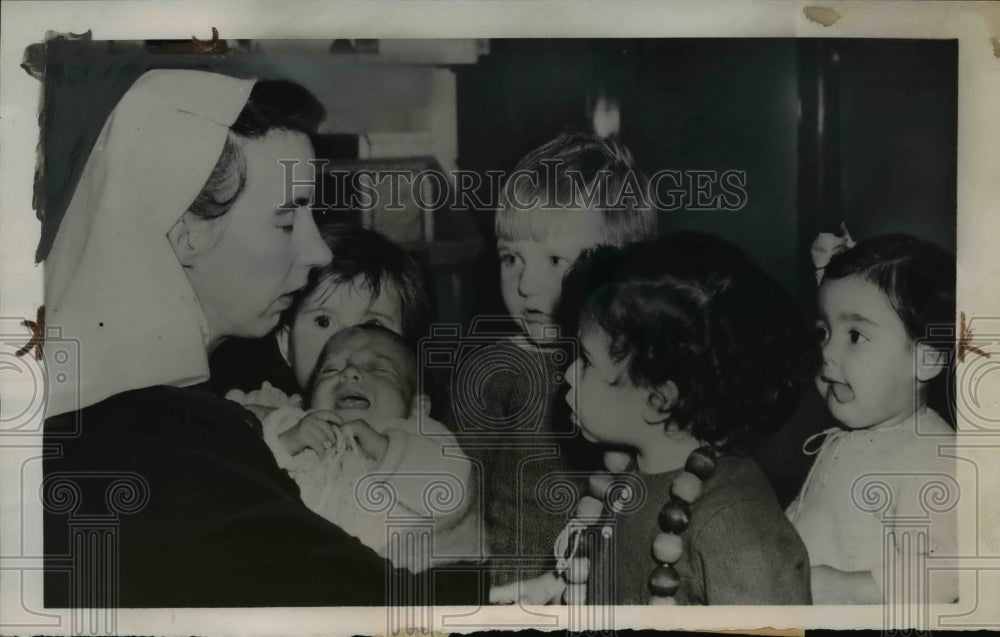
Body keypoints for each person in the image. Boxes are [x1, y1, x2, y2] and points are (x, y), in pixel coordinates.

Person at [41, 69, 559, 607]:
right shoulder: (160, 440)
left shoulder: (136, 409)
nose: (318, 252)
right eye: (286, 220)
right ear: (187, 231)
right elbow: (365, 604)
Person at [445, 131, 659, 586]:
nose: (525, 285)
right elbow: (452, 486)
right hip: (513, 589)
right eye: (511, 259)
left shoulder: (648, 373)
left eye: (556, 260)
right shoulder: (495, 372)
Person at [556, 233, 813, 605]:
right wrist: (555, 589)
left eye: (586, 362)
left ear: (660, 398)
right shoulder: (626, 474)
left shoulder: (734, 524)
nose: (567, 375)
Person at [786, 234, 958, 605]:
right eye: (823, 332)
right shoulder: (847, 436)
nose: (826, 351)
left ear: (926, 359)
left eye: (855, 335)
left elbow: (948, 571)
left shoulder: (934, 457)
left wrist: (847, 589)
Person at [230, 324, 481, 572]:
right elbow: (246, 478)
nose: (349, 373)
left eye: (377, 368)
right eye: (331, 370)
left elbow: (452, 488)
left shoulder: (418, 435)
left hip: (403, 575)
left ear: (418, 408)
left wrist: (383, 449)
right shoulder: (300, 428)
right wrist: (287, 442)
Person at [210, 224, 431, 398]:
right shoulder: (270, 422)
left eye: (373, 325)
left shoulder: (419, 437)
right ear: (287, 345)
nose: (348, 344)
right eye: (323, 321)